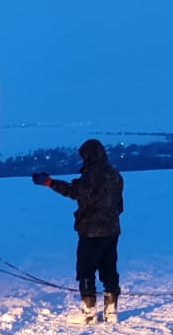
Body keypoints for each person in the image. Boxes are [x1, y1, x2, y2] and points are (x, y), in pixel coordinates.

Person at [33, 138, 124, 324]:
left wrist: (49, 183)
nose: (82, 160)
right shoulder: (115, 175)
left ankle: (89, 312)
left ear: (89, 155)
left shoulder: (92, 174)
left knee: (86, 270)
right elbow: (119, 205)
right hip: (112, 231)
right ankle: (111, 311)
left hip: (91, 231)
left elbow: (76, 192)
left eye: (83, 157)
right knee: (109, 270)